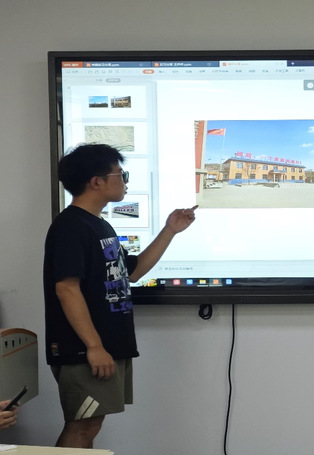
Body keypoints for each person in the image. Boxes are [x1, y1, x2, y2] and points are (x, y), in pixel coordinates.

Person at [43, 143, 197, 448]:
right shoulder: (71, 226)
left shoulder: (99, 224)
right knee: (82, 426)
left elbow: (133, 271)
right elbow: (66, 288)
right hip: (82, 349)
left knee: (90, 424)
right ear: (96, 182)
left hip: (105, 346)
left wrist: (170, 230)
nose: (125, 181)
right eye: (121, 174)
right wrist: (94, 346)